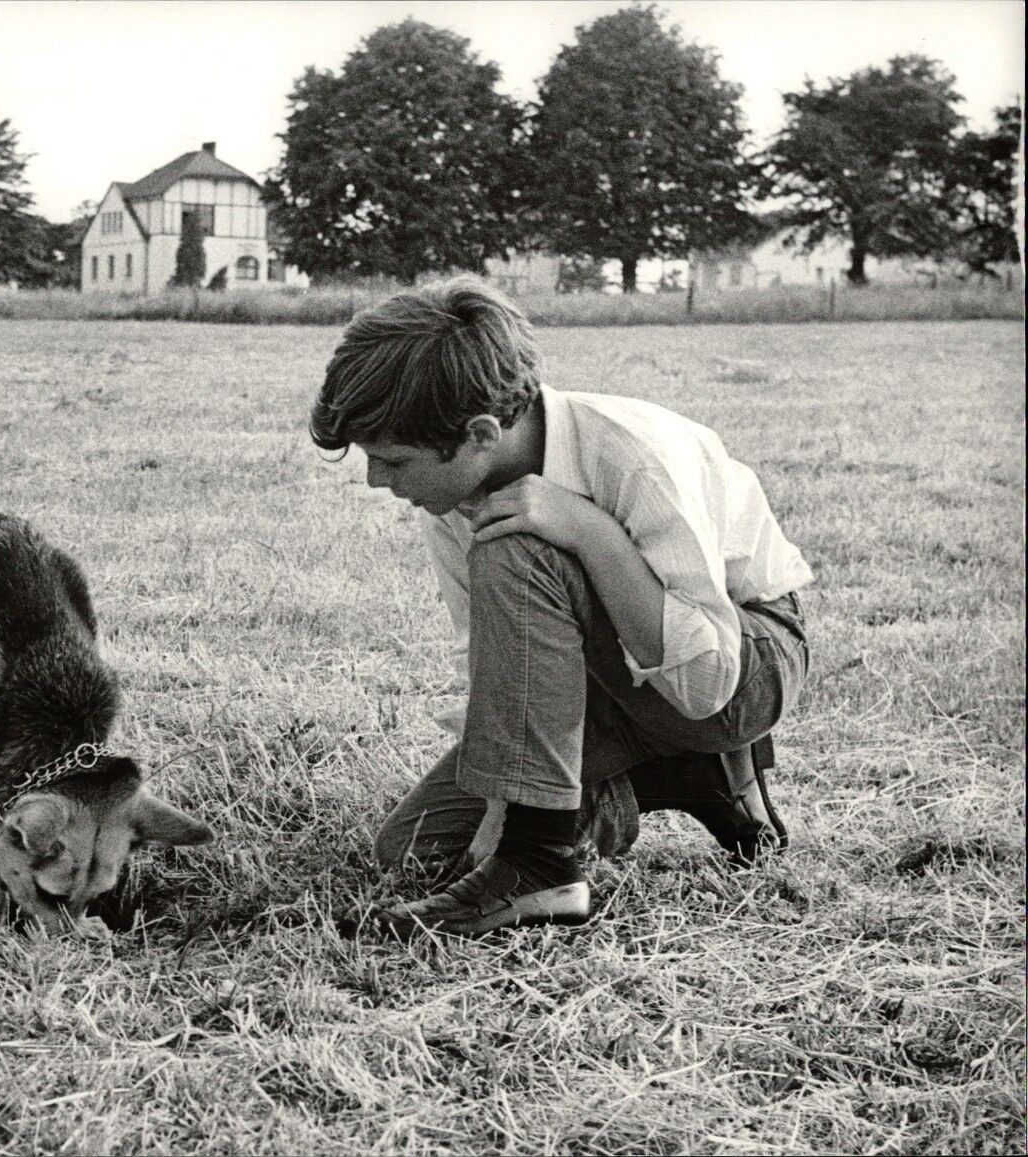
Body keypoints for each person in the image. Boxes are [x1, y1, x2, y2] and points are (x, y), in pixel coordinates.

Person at [311, 278, 812, 936]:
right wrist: (500, 807)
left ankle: (542, 865)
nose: (378, 480)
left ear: (482, 432)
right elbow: (506, 668)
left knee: (518, 545)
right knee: (415, 849)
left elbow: (706, 683)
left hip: (746, 666)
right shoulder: (450, 495)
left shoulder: (632, 454)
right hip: (616, 686)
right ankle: (681, 778)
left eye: (391, 460)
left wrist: (588, 530)